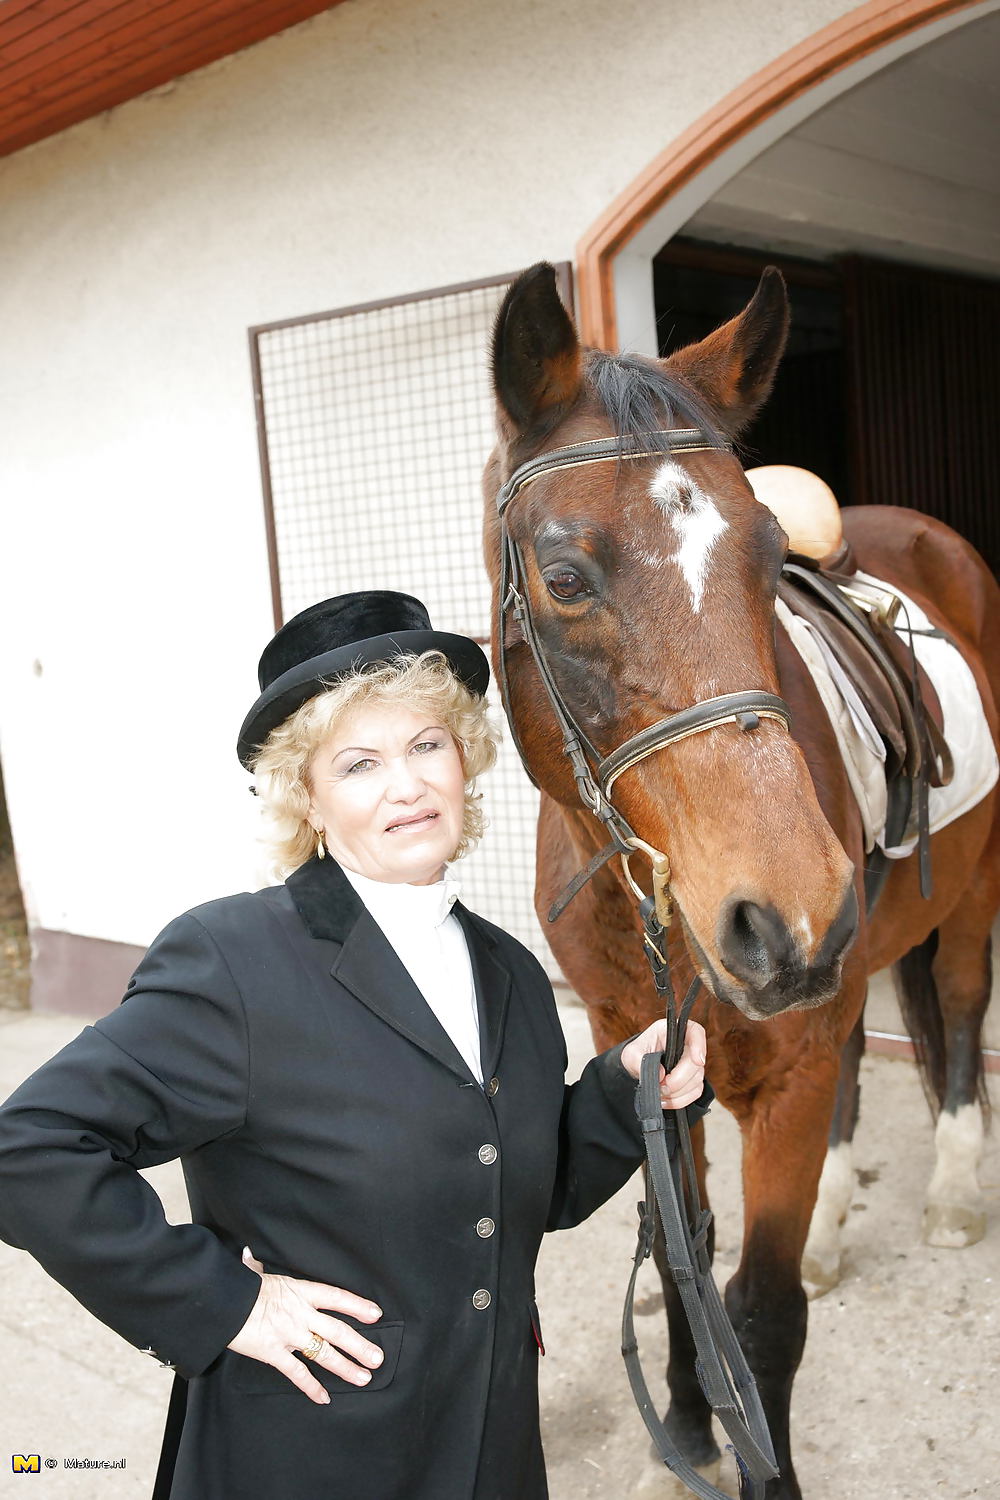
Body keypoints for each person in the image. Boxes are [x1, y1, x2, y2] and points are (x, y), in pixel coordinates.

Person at [0, 590, 710, 1500]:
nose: (407, 785)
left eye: (426, 746)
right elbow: (30, 1150)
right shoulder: (233, 963)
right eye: (360, 764)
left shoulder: (512, 974)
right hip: (312, 1455)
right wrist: (227, 1304)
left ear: (464, 760)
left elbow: (521, 1190)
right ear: (308, 798)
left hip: (492, 1451)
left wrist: (622, 1088)